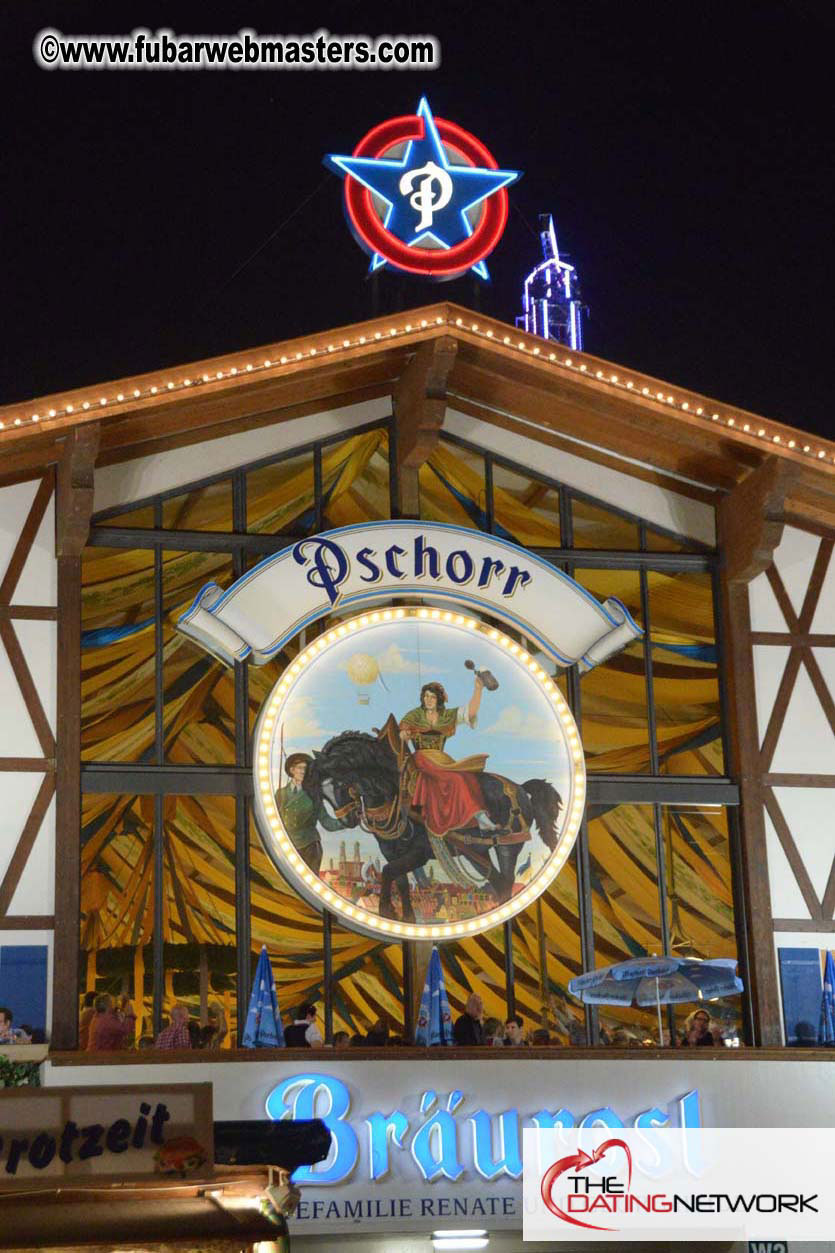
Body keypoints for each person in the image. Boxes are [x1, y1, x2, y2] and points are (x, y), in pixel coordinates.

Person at [399, 677, 497, 838]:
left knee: (467, 776)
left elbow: (470, 712)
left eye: (432, 697)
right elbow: (401, 733)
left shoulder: (447, 715)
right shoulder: (414, 715)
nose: (428, 700)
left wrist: (478, 689)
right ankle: (478, 817)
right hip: (422, 758)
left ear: (438, 699)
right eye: (426, 696)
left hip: (442, 759)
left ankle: (479, 817)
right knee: (455, 779)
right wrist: (404, 734)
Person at [275, 753, 344, 875]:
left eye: (306, 769)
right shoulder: (280, 794)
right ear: (292, 770)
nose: (303, 772)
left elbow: (327, 822)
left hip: (309, 847)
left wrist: (345, 822)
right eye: (300, 768)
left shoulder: (314, 795)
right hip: (286, 846)